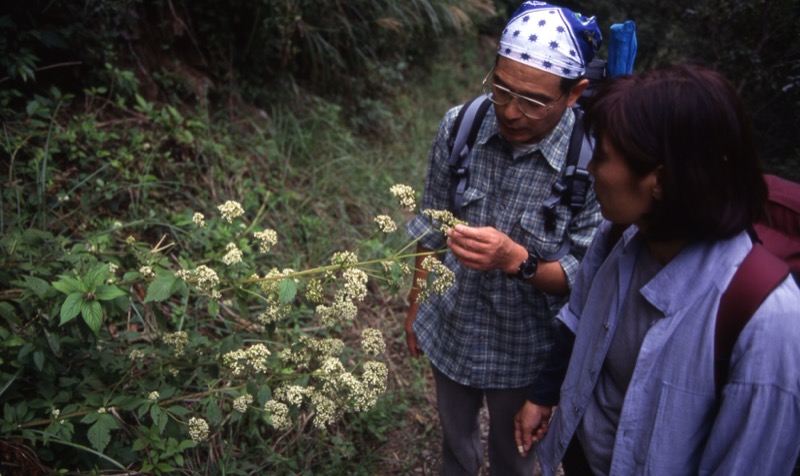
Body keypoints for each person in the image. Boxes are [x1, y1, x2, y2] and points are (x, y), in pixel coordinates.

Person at [515, 64, 800, 475]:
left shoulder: (768, 322)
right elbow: (579, 320)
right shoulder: (618, 235)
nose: (592, 170)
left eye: (605, 157)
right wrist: (544, 394)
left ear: (661, 180)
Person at [404, 2, 604, 474]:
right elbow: (433, 222)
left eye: (533, 101)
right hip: (452, 325)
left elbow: (585, 276)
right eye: (501, 89)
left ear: (574, 93)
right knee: (456, 446)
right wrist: (416, 299)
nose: (511, 112)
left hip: (527, 349)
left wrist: (517, 259)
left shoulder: (593, 163)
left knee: (515, 459)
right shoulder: (462, 126)